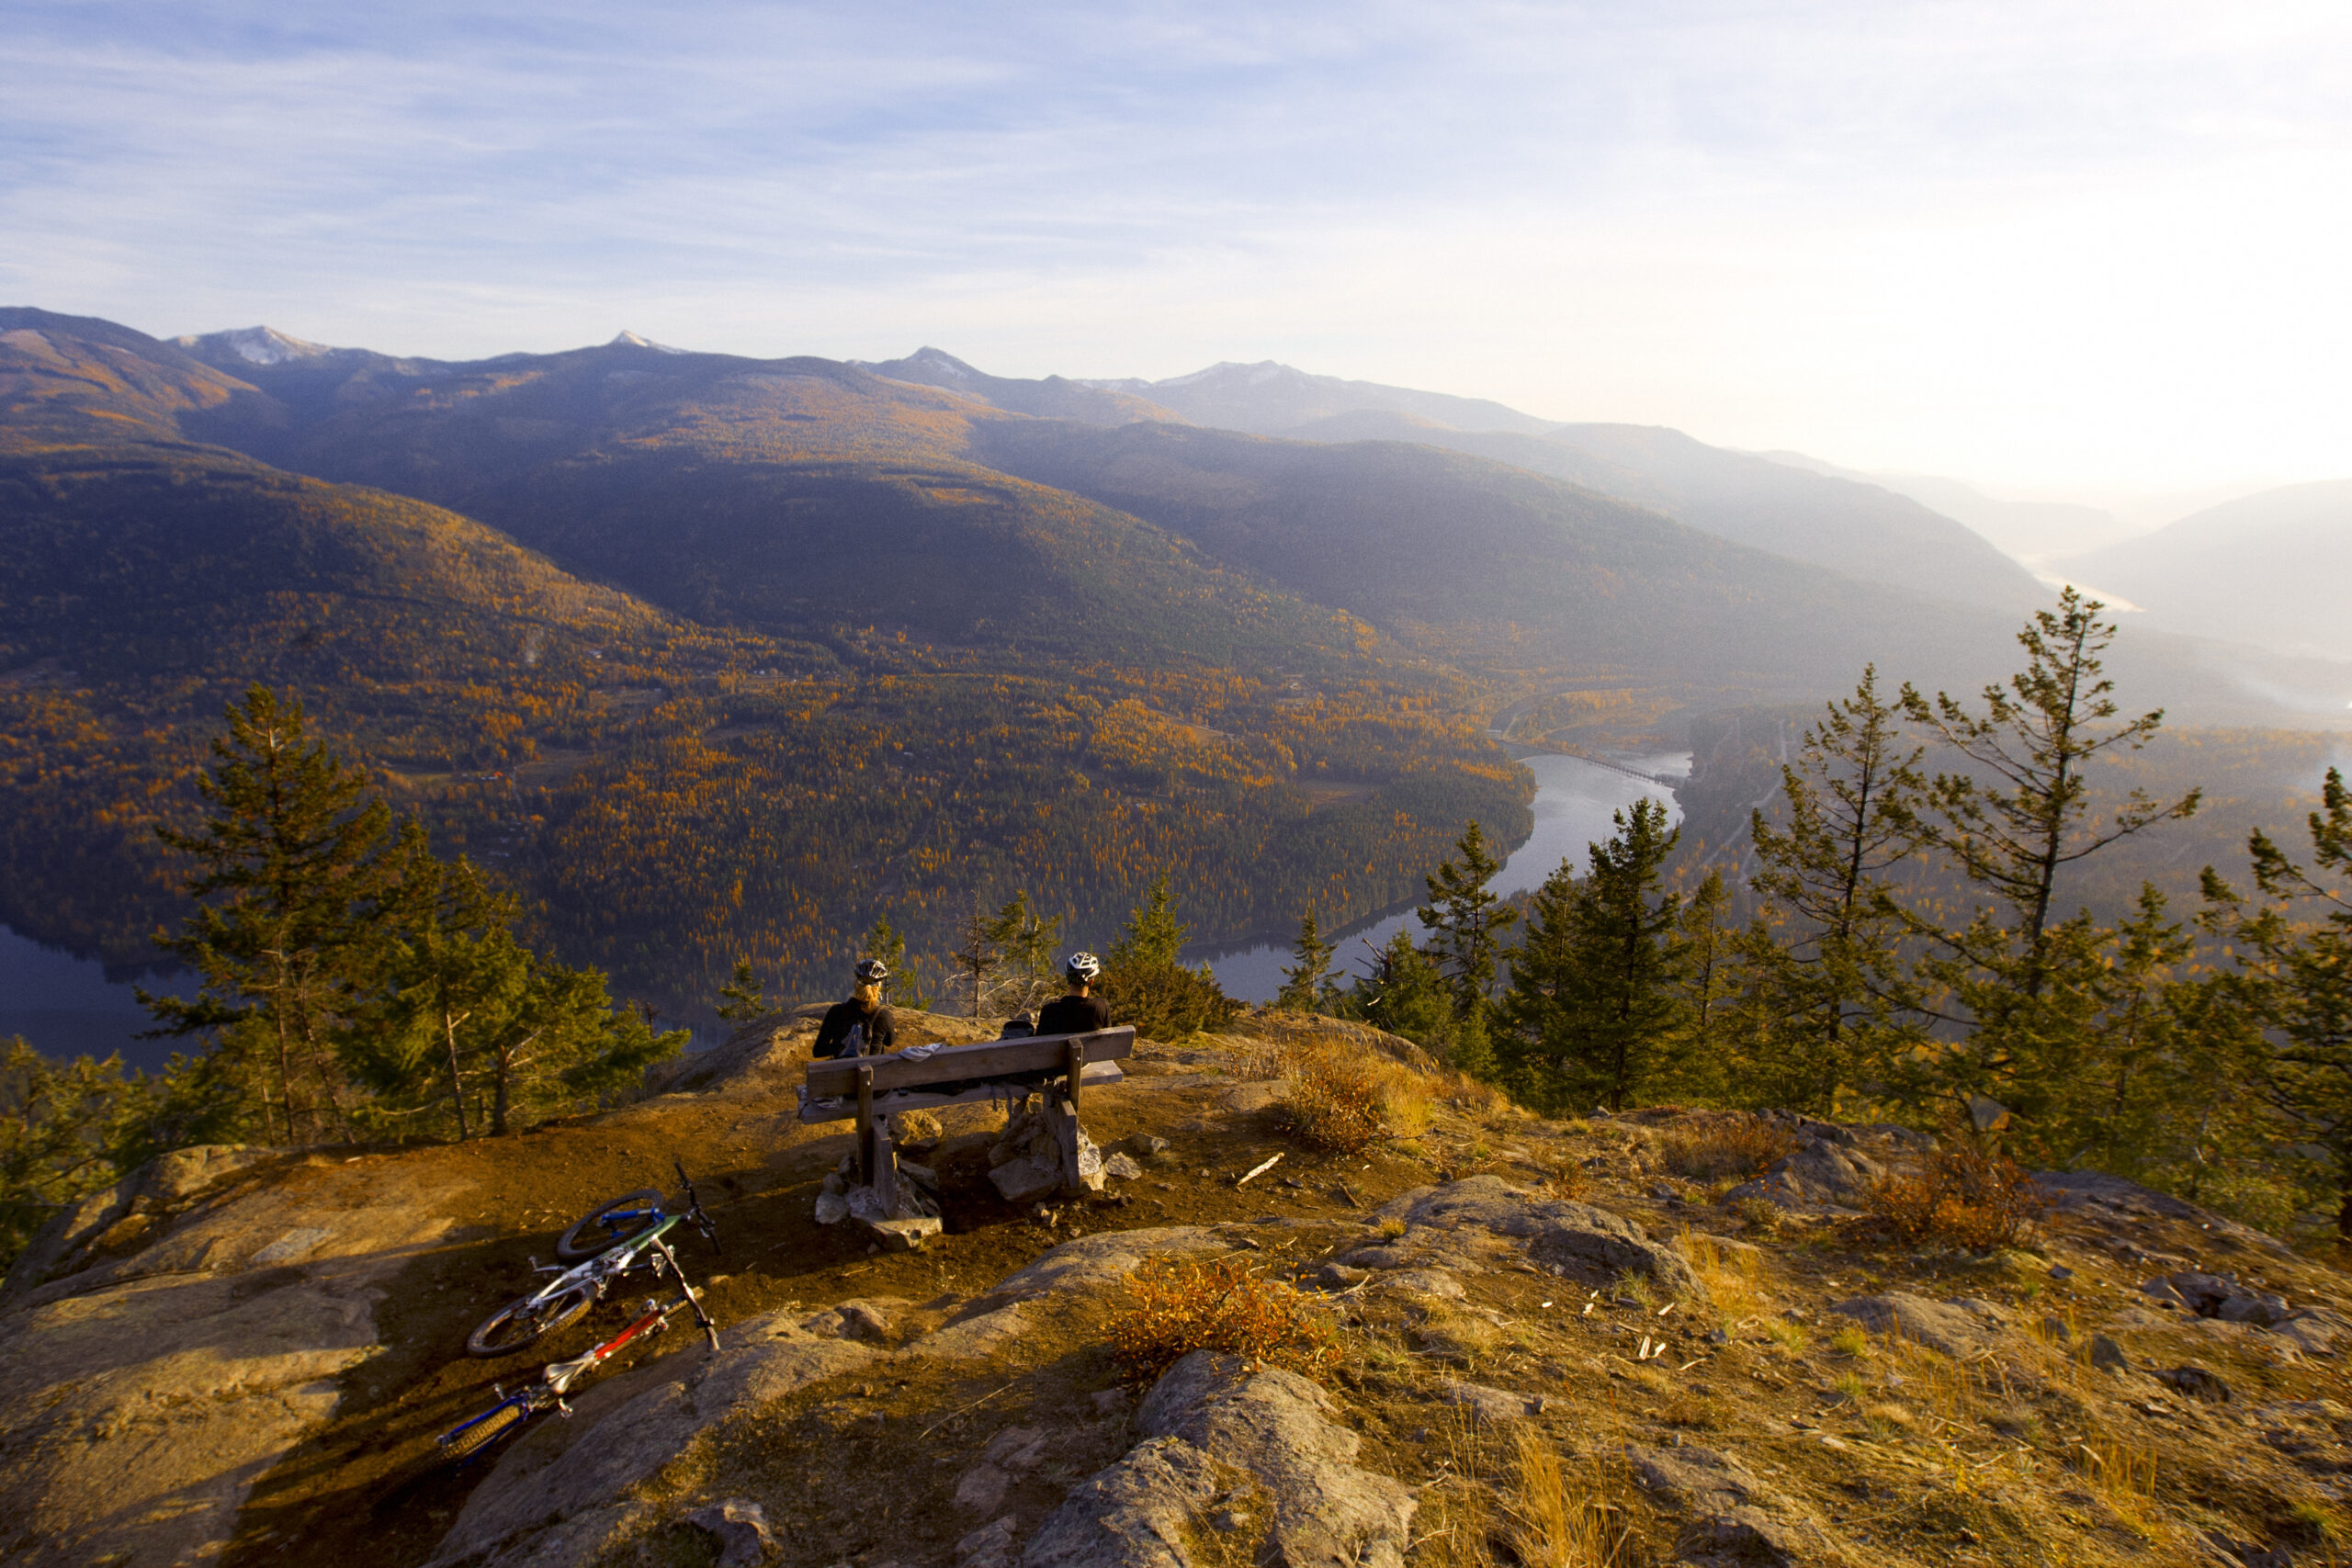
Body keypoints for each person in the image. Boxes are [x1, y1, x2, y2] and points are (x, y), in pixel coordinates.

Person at [813, 958, 897, 1058]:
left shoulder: (836, 1012)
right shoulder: (883, 1016)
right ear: (879, 986)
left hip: (840, 1072)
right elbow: (889, 1042)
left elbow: (818, 1051)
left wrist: (841, 1045)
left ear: (856, 984)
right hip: (873, 1071)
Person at [1035, 952, 1110, 1036]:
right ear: (1091, 982)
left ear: (1068, 979)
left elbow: (1038, 1046)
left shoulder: (1049, 1011)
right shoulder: (1101, 1007)